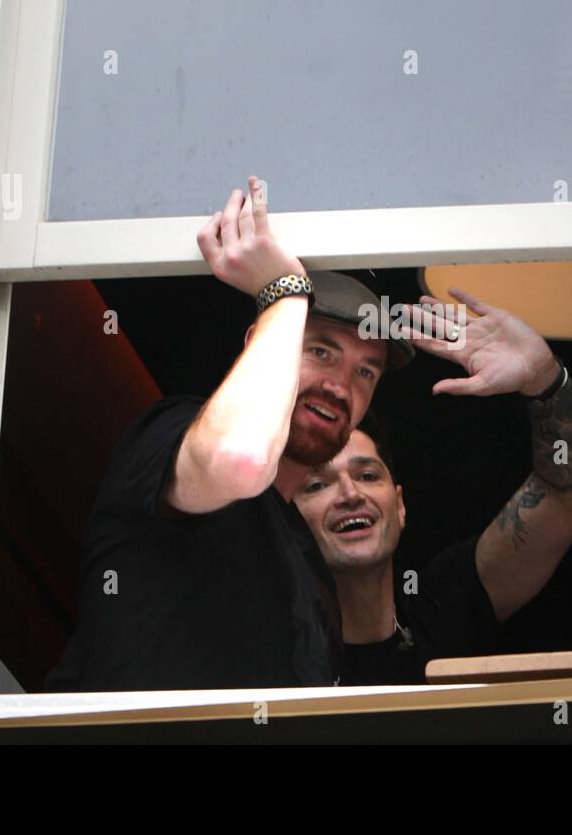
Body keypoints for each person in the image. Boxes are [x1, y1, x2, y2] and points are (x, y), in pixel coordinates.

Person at [45, 177, 414, 691]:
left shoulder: (308, 563)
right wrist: (284, 295)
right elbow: (238, 457)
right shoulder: (170, 430)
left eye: (366, 372)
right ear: (261, 343)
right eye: (321, 350)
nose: (339, 386)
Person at [292, 289, 572, 685]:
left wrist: (544, 380)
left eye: (368, 475)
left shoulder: (444, 604)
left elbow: (571, 491)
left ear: (399, 504)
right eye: (318, 485)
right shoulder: (267, 641)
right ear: (289, 520)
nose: (350, 494)